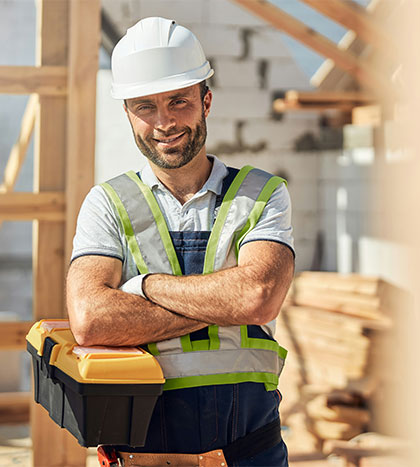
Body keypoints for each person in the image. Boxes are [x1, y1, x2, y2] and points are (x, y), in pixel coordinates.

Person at [67, 17, 295, 466]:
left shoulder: (262, 194)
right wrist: (222, 305)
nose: (165, 122)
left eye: (179, 102)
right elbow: (92, 319)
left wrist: (146, 287)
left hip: (250, 453)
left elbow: (257, 297)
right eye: (145, 107)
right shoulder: (108, 203)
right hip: (146, 457)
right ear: (128, 114)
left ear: (206, 101)